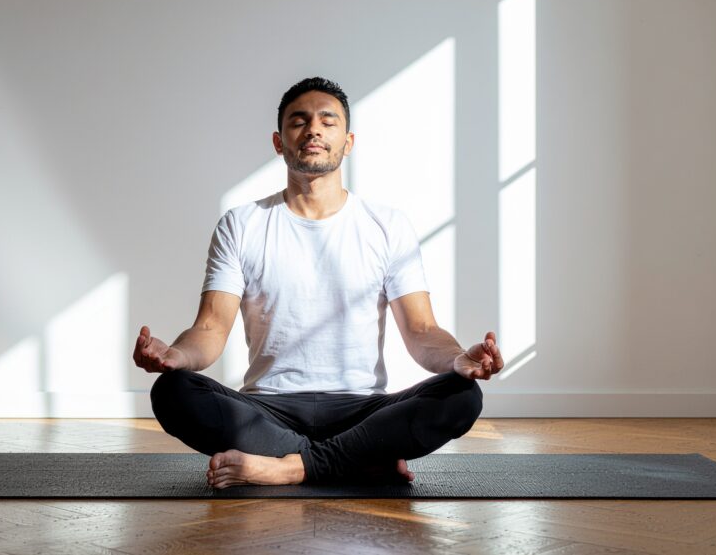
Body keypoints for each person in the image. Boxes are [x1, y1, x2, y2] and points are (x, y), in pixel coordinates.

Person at [133, 77, 504, 488]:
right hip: (268, 410)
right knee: (171, 392)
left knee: (462, 397)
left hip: (362, 410)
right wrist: (177, 356)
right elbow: (209, 328)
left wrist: (458, 360)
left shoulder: (387, 225)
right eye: (299, 120)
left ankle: (289, 467)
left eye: (328, 121)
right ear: (279, 142)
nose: (313, 130)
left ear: (347, 142)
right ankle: (357, 460)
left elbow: (422, 331)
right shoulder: (241, 224)